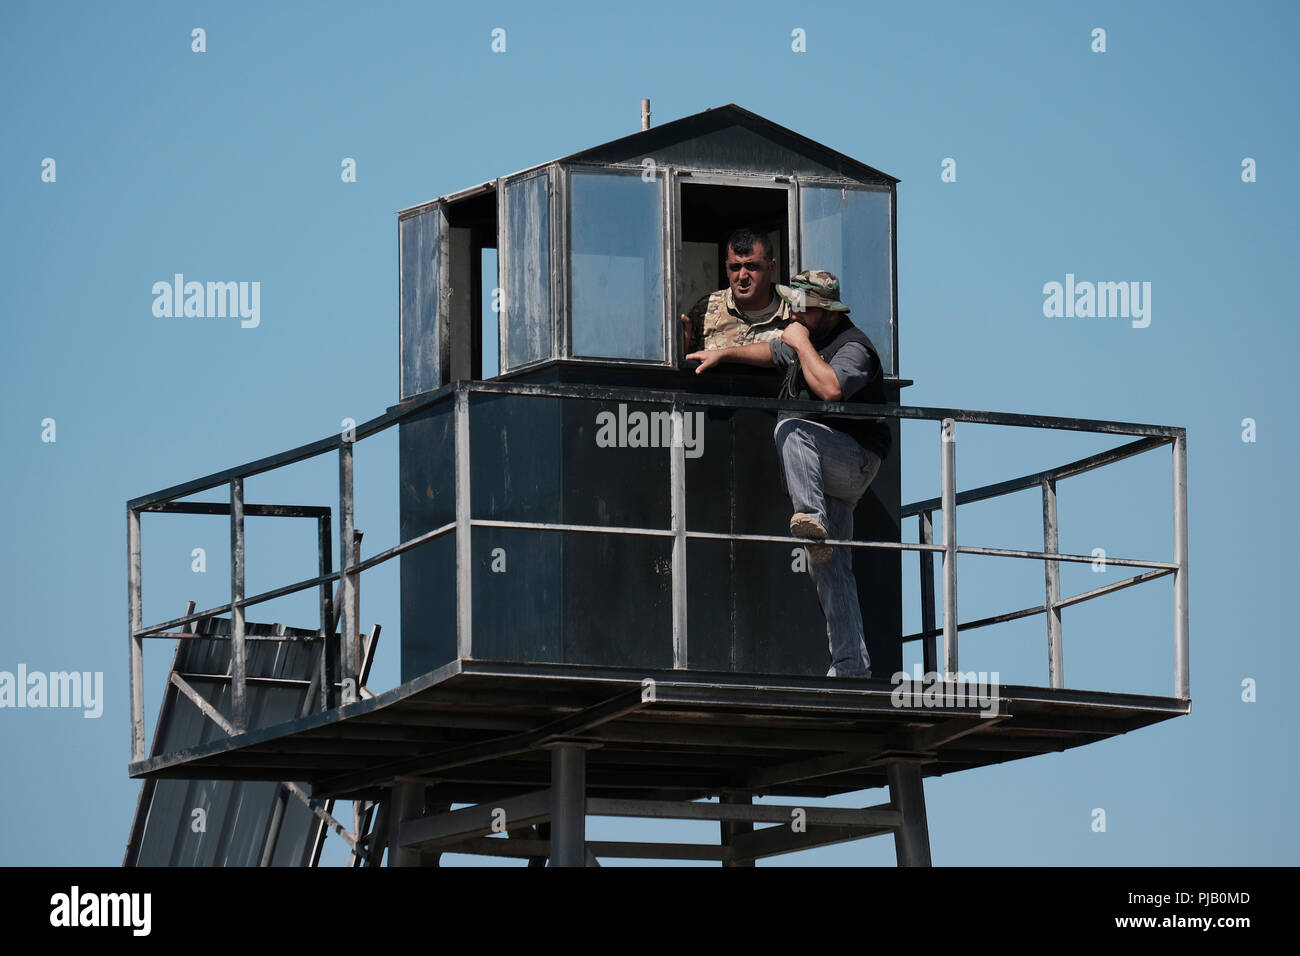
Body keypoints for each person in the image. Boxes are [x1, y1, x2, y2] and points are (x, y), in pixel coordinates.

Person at [686, 270, 891, 678]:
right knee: (831, 568)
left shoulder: (854, 347)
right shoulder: (805, 338)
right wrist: (724, 353)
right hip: (824, 464)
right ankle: (852, 665)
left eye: (802, 307)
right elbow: (770, 352)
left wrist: (799, 343)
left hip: (854, 460)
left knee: (791, 427)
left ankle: (810, 516)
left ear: (826, 311)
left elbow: (830, 388)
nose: (792, 313)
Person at [680, 227, 794, 352]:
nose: (742, 276)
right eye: (735, 267)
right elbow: (688, 362)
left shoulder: (794, 313)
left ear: (771, 267)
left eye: (751, 266)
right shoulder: (705, 310)